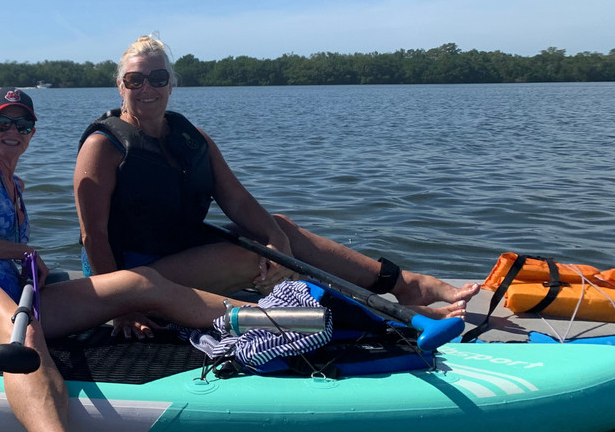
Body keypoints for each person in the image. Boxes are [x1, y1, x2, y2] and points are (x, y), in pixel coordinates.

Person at [0, 87, 267, 432]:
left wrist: (27, 265)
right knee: (23, 333)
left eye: (23, 124)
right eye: (2, 122)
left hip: (11, 291)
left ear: (32, 133)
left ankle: (271, 318)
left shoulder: (16, 183)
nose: (13, 131)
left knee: (136, 282)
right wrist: (25, 251)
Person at [73, 35, 479, 339]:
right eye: (135, 79)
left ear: (172, 83)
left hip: (178, 253)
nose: (147, 88)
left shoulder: (191, 137)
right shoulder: (102, 147)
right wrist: (120, 306)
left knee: (278, 227)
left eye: (157, 77)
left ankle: (406, 285)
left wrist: (276, 241)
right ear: (120, 86)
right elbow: (94, 236)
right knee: (250, 259)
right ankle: (368, 317)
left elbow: (236, 199)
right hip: (130, 275)